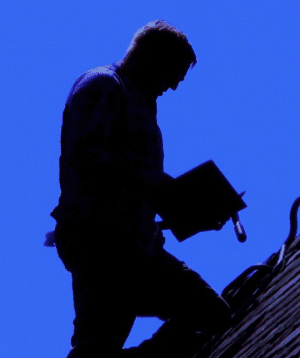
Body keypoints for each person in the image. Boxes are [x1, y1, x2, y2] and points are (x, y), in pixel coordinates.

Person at [50, 20, 231, 358]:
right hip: (102, 241)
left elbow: (133, 183)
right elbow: (88, 156)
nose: (174, 87)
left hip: (135, 245)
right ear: (151, 59)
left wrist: (189, 211)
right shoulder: (104, 85)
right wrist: (156, 183)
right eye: (172, 75)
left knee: (211, 314)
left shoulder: (142, 103)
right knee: (98, 346)